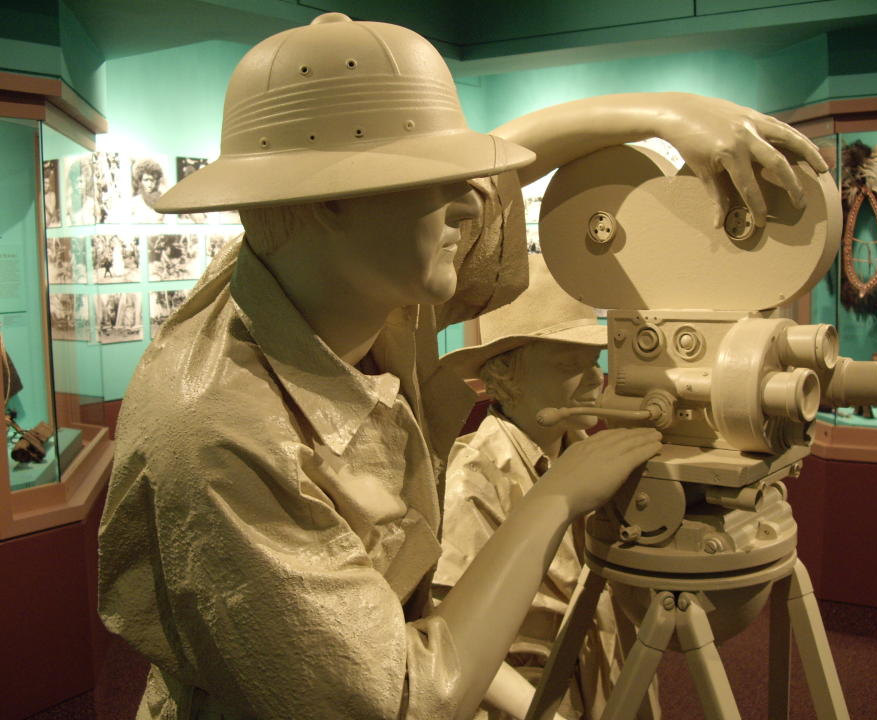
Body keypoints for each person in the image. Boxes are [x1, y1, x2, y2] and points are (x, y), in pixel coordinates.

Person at [97, 12, 826, 720]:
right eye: (434, 178)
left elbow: (506, 157)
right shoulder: (220, 438)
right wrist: (554, 500)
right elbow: (401, 697)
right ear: (325, 199)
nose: (471, 201)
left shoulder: (330, 273)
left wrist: (668, 114)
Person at [437, 255, 629, 719]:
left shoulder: (588, 457)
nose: (595, 378)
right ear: (506, 378)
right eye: (569, 363)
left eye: (595, 361)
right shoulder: (476, 480)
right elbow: (448, 636)